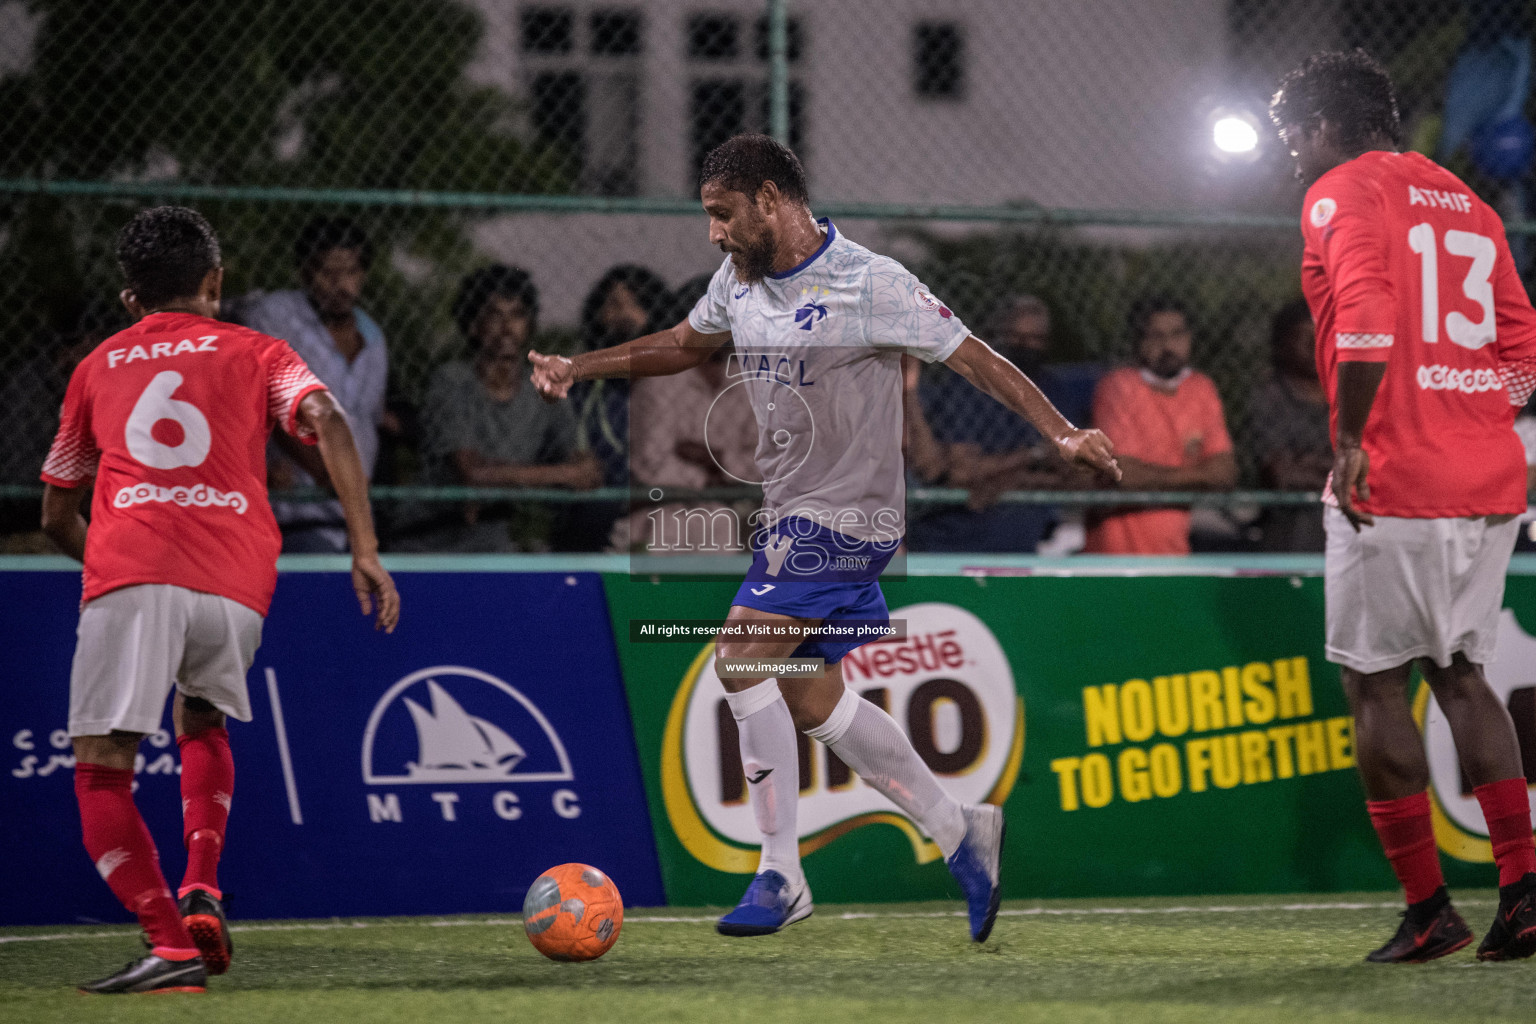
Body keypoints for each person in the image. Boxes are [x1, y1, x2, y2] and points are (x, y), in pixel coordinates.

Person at [530, 134, 1119, 942]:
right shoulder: (737, 281)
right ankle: (960, 830)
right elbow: (682, 344)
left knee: (737, 656)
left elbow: (974, 358)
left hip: (847, 518)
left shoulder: (870, 281)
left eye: (722, 214)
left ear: (771, 198)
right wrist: (579, 365)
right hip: (790, 514)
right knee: (813, 699)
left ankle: (781, 872)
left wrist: (1060, 434)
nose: (713, 233)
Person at [39, 207, 400, 993]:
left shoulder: (97, 365)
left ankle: (171, 944)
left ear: (131, 298)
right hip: (238, 584)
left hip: (135, 567)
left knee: (102, 770)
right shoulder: (262, 351)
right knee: (201, 719)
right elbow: (328, 418)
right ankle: (202, 879)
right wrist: (365, 548)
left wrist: (107, 565)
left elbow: (55, 510)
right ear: (215, 282)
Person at [1272, 49, 1536, 963]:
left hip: (1395, 479)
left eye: (1289, 137)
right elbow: (1521, 343)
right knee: (1463, 675)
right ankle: (1525, 894)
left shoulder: (1341, 190)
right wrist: (1475, 409)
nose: (1289, 157)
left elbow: (1371, 316)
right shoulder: (1467, 200)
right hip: (1489, 476)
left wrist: (1351, 437)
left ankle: (1430, 910)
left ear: (1321, 126)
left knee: (1374, 684)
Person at [411, 265, 601, 551]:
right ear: (474, 324)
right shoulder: (452, 381)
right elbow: (472, 473)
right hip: (430, 535)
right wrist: (561, 475)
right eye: (494, 315)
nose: (507, 326)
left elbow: (586, 469)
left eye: (517, 315)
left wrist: (577, 469)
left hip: (493, 534)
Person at [242, 217, 389, 552]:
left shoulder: (373, 335)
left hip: (355, 517)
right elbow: (272, 404)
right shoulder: (274, 316)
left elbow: (370, 419)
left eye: (351, 272)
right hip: (292, 510)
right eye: (328, 273)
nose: (341, 284)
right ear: (306, 272)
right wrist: (327, 474)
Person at [906, 295, 1092, 552]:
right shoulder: (969, 386)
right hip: (953, 541)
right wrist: (1034, 455)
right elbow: (961, 472)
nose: (1027, 346)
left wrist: (1012, 481)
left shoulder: (1055, 391)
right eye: (1017, 337)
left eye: (1037, 339)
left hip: (1022, 545)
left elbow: (1075, 476)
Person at [1084, 297, 1238, 554]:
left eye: (1176, 334)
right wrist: (1196, 476)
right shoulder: (1119, 386)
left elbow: (1225, 473)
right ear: (1138, 341)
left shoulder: (1201, 388)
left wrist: (1154, 479)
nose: (1167, 345)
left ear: (1189, 338)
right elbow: (1123, 473)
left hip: (1175, 550)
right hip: (1116, 553)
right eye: (1155, 336)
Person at [1249, 299, 1332, 551]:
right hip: (1289, 537)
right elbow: (1280, 475)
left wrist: (1304, 463)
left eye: (1319, 336)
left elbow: (1370, 471)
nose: (1313, 345)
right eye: (1302, 337)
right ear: (1282, 344)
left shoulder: (1350, 399)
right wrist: (1339, 468)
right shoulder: (1269, 400)